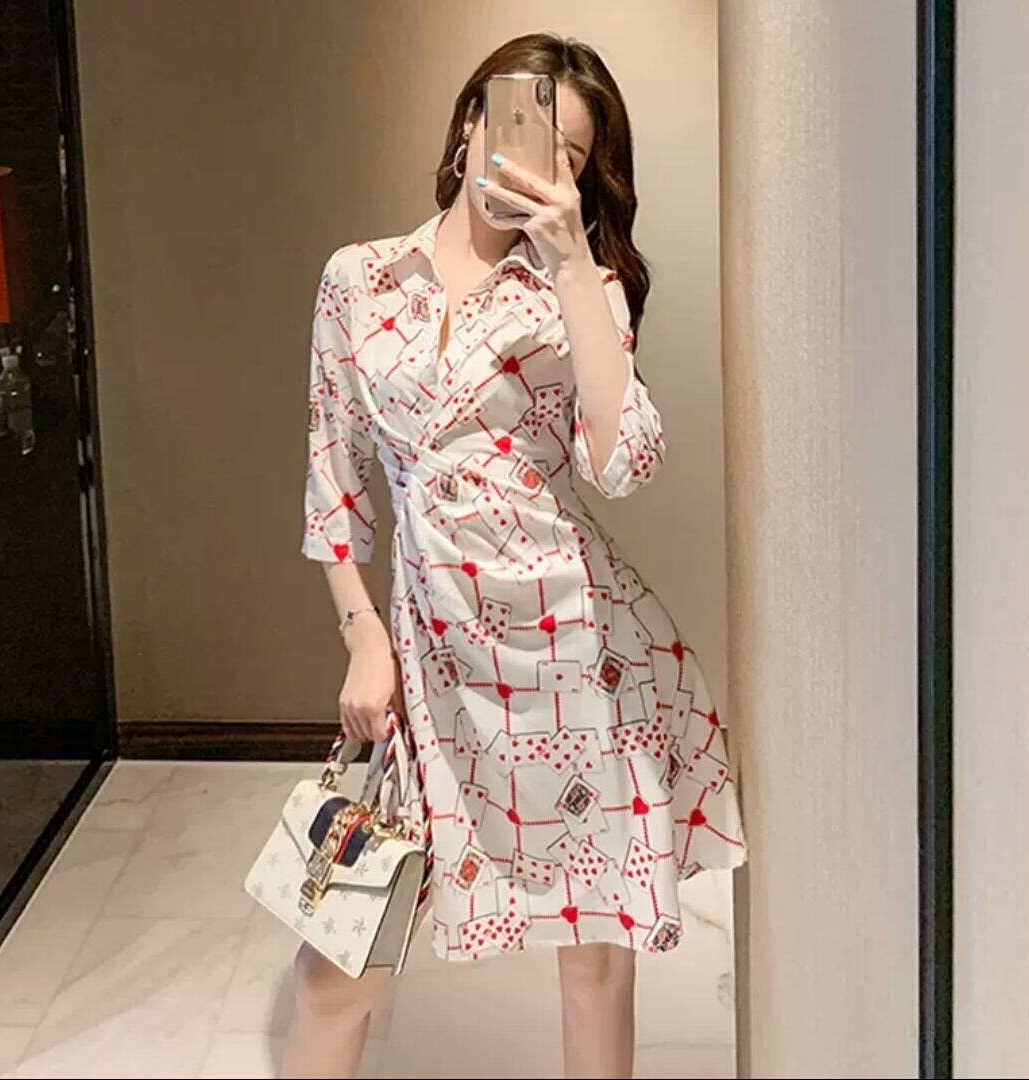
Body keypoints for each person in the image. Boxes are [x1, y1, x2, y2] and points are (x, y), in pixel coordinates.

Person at [283, 30, 747, 1080]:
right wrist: (362, 638)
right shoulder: (361, 279)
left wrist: (576, 262)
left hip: (578, 659)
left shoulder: (581, 293)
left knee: (596, 964)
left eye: (569, 157)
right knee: (337, 965)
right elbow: (333, 479)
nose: (538, 164)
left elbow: (623, 462)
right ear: (469, 127)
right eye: (522, 131)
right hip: (430, 661)